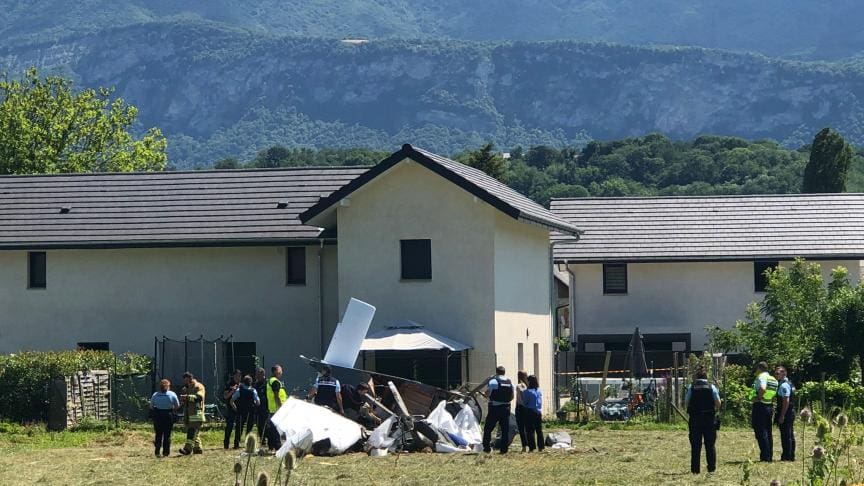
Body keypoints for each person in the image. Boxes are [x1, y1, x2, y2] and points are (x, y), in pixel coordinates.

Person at [684, 369, 721, 474]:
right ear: (706, 377)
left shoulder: (692, 388)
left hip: (695, 419)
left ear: (696, 378)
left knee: (695, 445)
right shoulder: (712, 387)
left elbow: (686, 402)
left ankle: (695, 470)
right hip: (709, 419)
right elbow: (718, 403)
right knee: (710, 445)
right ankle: (711, 469)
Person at [749, 361, 779, 462]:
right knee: (768, 431)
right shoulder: (773, 379)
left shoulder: (761, 377)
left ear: (759, 368)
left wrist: (758, 397)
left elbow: (762, 388)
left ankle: (765, 456)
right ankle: (769, 455)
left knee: (760, 431)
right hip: (769, 405)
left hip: (760, 406)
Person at [482, 365, 515, 454]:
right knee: (505, 430)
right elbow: (512, 396)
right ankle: (504, 449)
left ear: (496, 372)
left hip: (494, 408)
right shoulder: (509, 382)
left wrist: (484, 394)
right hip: (506, 408)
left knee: (488, 428)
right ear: (504, 372)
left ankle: (486, 448)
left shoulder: (493, 381)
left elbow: (488, 394)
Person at [150, 378, 180, 457]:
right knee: (167, 434)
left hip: (158, 415)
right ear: (168, 386)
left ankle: (157, 451)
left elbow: (151, 406)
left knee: (158, 434)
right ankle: (166, 453)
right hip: (168, 415)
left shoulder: (155, 395)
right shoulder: (172, 394)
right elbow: (177, 406)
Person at [179, 371, 206, 455]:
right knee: (195, 432)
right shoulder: (186, 389)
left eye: (187, 380)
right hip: (188, 413)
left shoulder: (198, 386)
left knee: (191, 431)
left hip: (196, 413)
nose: (185, 382)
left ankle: (187, 449)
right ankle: (198, 449)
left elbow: (199, 397)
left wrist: (187, 397)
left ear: (191, 379)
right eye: (184, 381)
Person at [230, 375, 260, 449]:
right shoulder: (253, 390)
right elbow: (258, 402)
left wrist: (235, 408)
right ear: (251, 382)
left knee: (239, 428)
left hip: (241, 412)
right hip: (250, 412)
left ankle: (236, 444)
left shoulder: (239, 390)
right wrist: (255, 406)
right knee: (249, 429)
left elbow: (231, 401)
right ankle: (248, 444)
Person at [774, 366, 796, 461]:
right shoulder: (790, 383)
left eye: (777, 373)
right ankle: (791, 455)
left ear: (784, 373)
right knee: (790, 434)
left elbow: (786, 400)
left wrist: (782, 415)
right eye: (775, 373)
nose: (776, 375)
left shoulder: (783, 385)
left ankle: (787, 456)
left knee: (785, 435)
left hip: (786, 412)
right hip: (791, 411)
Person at [266, 364, 288, 451]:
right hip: (277, 408)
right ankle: (278, 447)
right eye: (280, 370)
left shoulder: (271, 381)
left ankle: (271, 446)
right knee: (276, 430)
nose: (281, 372)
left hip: (273, 408)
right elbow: (276, 396)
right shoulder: (275, 382)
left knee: (272, 428)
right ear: (275, 371)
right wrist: (281, 407)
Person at [522, 375, 544, 452]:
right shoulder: (539, 390)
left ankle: (532, 447)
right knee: (539, 430)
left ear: (529, 382)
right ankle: (541, 446)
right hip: (538, 412)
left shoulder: (527, 392)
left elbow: (525, 402)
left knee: (530, 430)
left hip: (530, 411)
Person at [222, 369, 242, 449]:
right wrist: (232, 391)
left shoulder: (242, 385)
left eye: (239, 376)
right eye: (236, 376)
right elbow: (225, 396)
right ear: (233, 376)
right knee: (229, 426)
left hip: (239, 409)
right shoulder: (229, 384)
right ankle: (226, 444)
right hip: (231, 408)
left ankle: (236, 444)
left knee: (239, 427)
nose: (238, 378)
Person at [253, 367, 269, 445]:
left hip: (266, 407)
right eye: (256, 375)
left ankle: (267, 439)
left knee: (266, 424)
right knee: (259, 424)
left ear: (263, 374)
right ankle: (262, 440)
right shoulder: (256, 384)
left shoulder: (267, 383)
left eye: (258, 375)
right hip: (258, 408)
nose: (257, 376)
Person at [514, 370, 529, 452]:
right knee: (527, 427)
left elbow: (521, 397)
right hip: (527, 408)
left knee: (521, 428)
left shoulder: (520, 386)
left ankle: (524, 446)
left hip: (521, 408)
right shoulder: (529, 385)